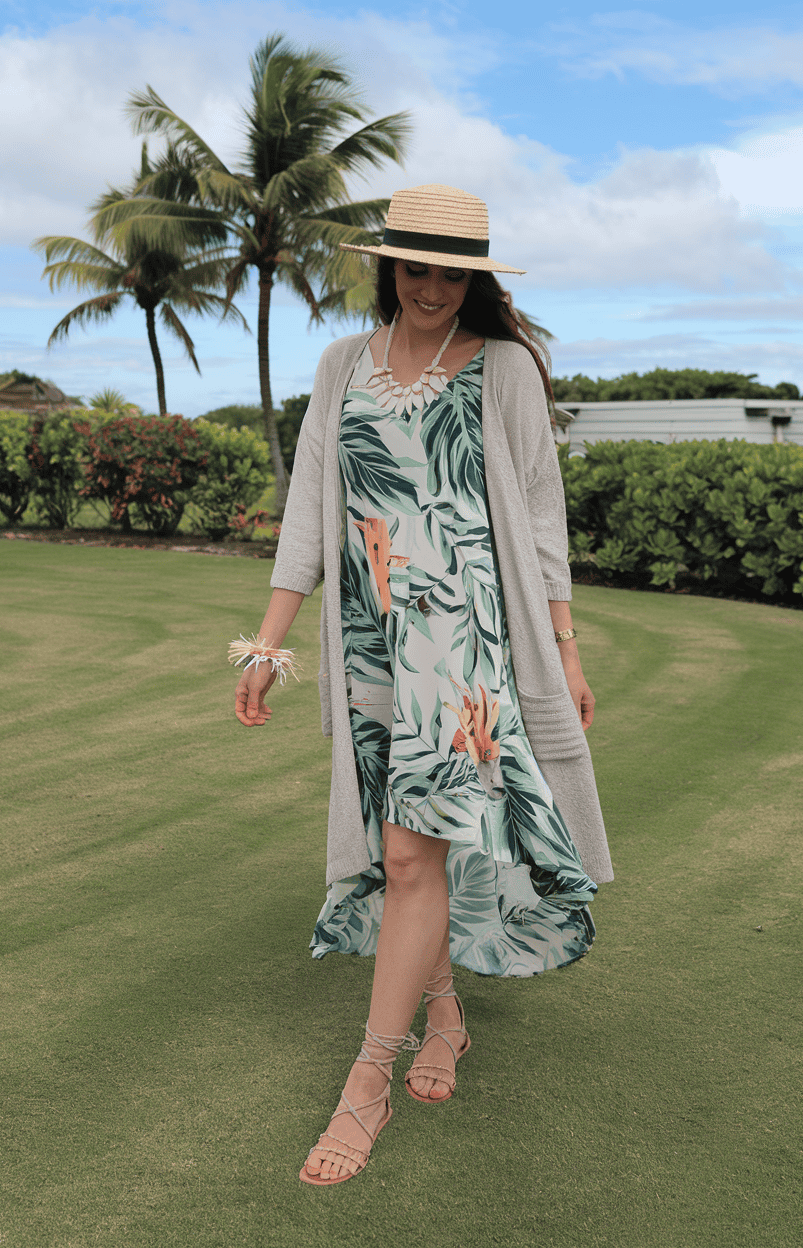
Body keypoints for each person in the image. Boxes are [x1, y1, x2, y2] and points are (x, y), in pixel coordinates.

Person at [232, 184, 613, 1186]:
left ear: (475, 278)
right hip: (371, 640)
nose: (435, 287)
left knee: (407, 856)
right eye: (417, 266)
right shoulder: (336, 367)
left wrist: (564, 649)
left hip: (465, 644)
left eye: (454, 271)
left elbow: (538, 511)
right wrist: (268, 647)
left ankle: (366, 1085)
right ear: (388, 267)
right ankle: (443, 1018)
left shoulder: (506, 369)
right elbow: (310, 512)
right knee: (412, 855)